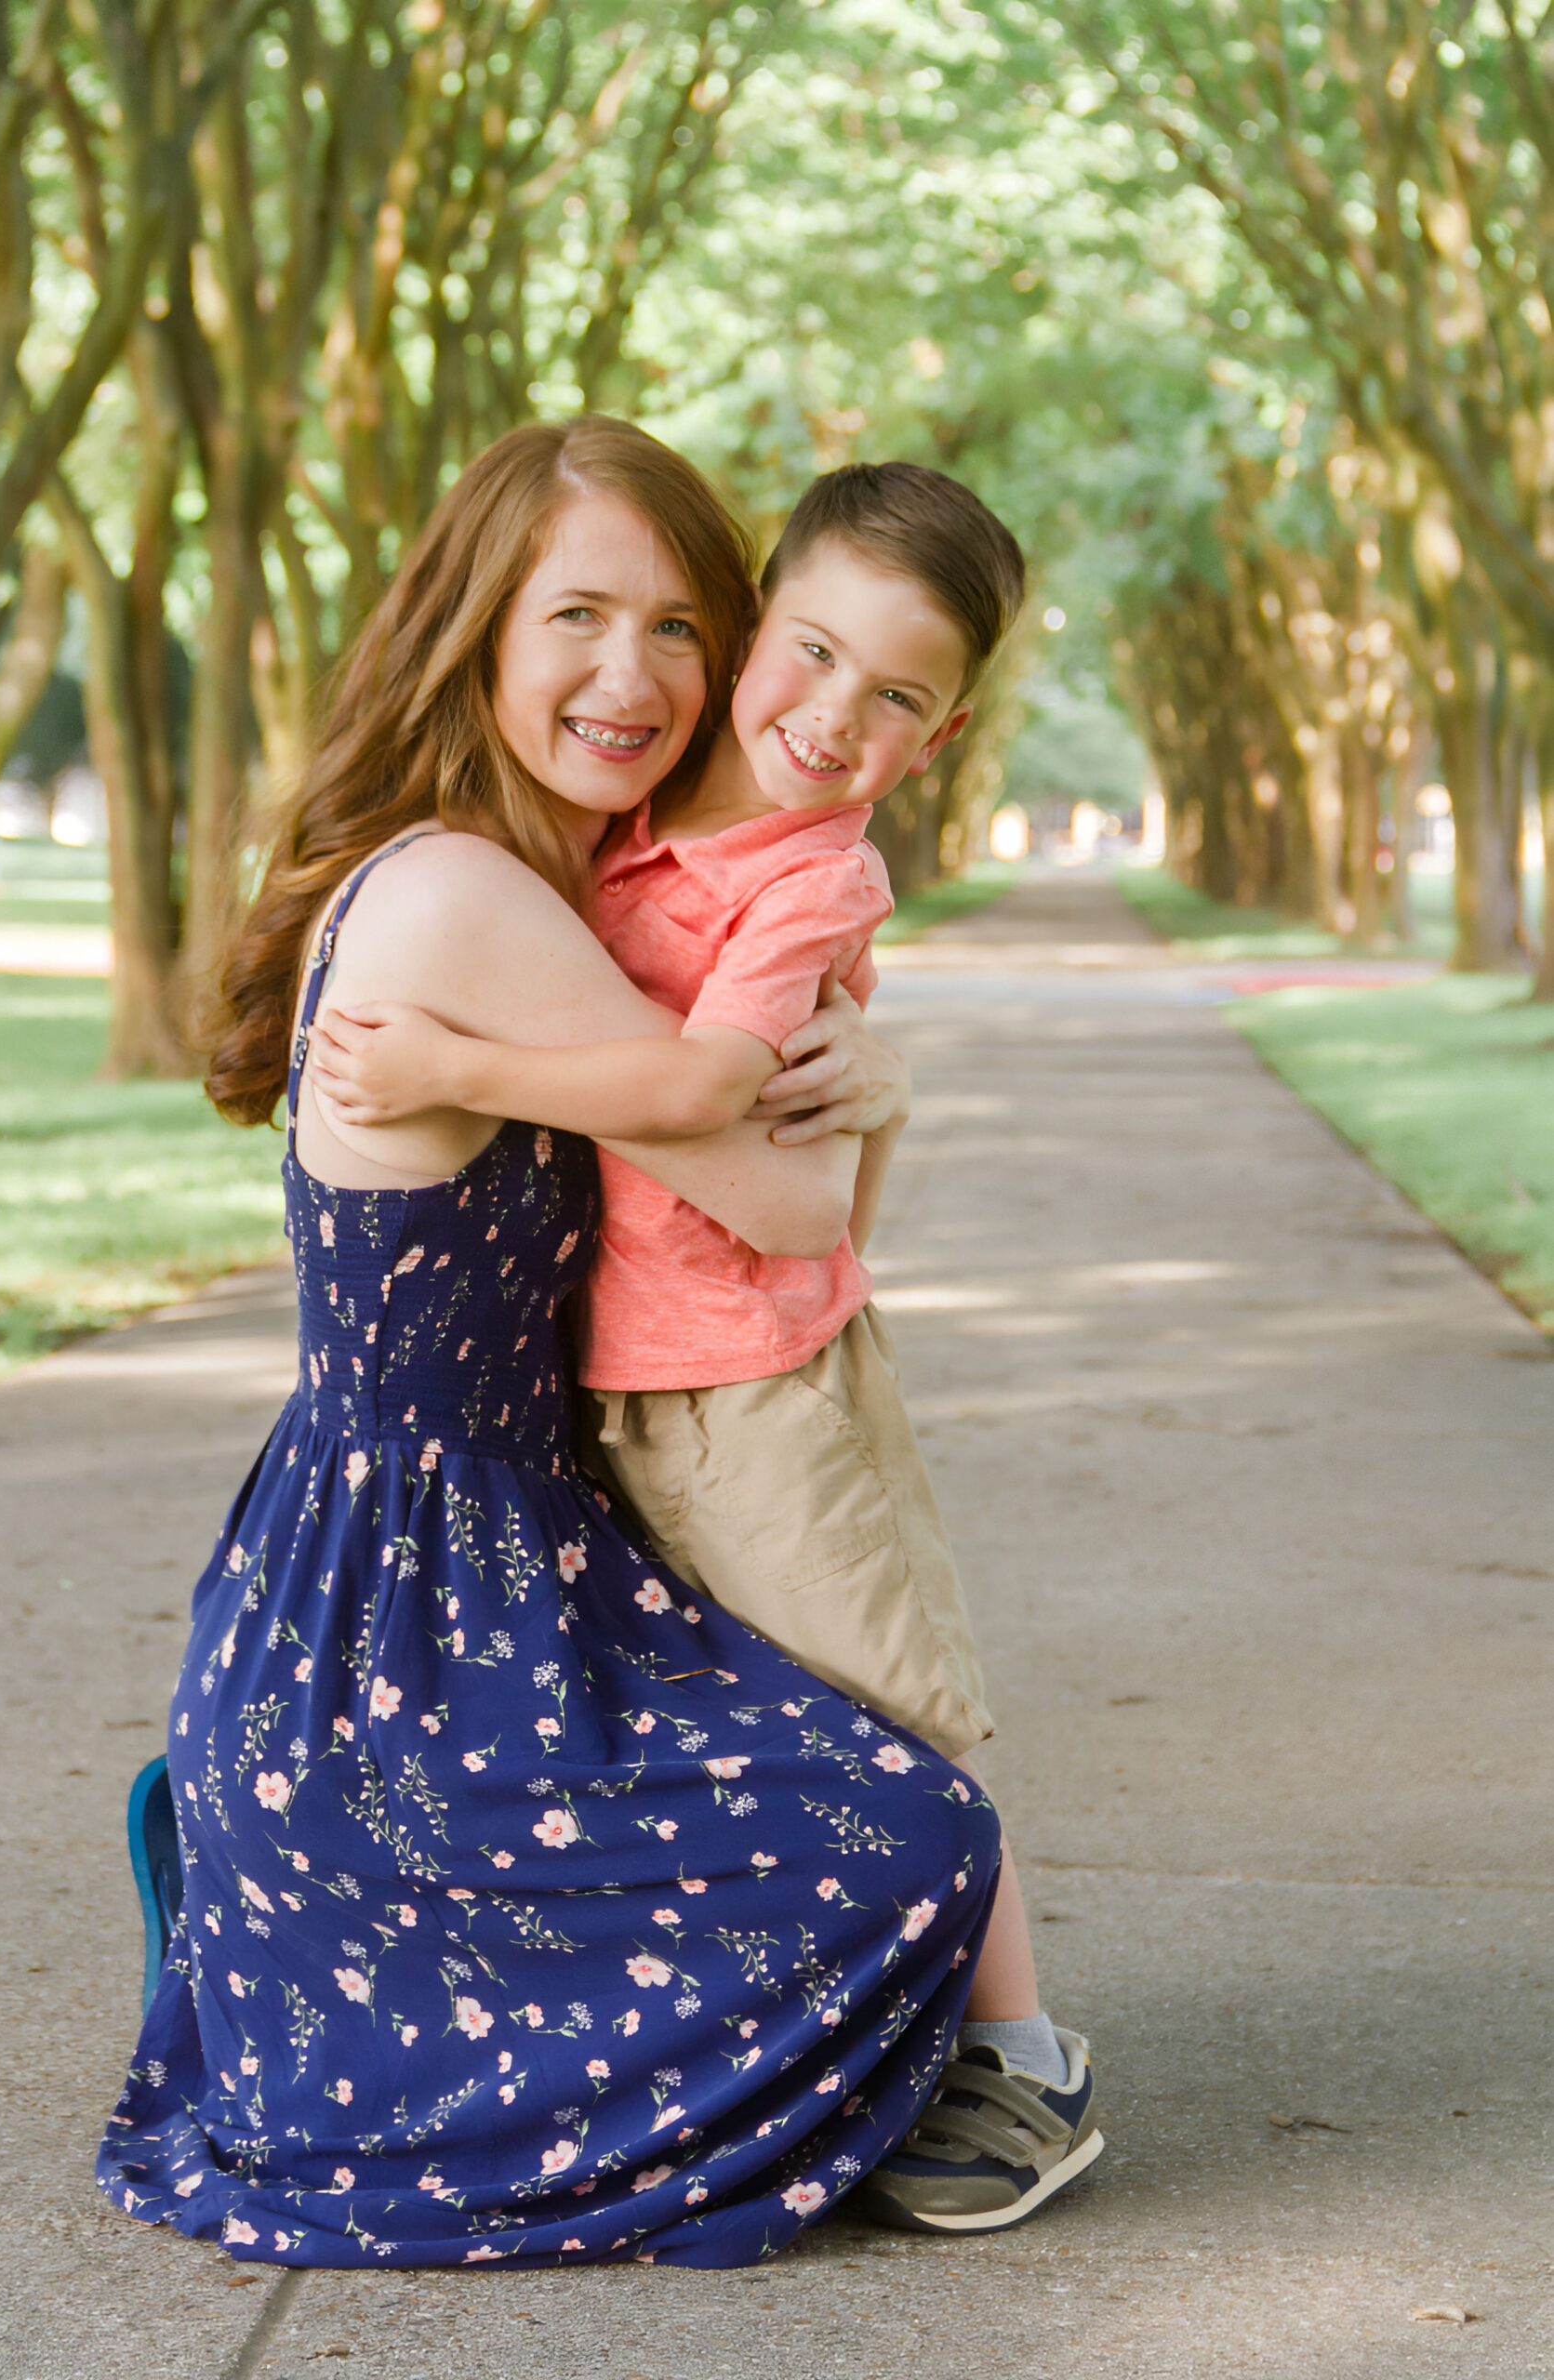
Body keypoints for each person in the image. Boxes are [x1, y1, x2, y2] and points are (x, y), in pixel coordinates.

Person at [93, 416, 1003, 2271]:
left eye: (680, 625)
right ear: (472, 630)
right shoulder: (471, 901)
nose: (633, 673)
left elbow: (757, 1179)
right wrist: (874, 1093)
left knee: (877, 1793)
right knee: (911, 1835)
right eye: (575, 613)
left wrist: (866, 1063)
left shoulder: (566, 889)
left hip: (449, 1582)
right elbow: (791, 1207)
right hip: (419, 1637)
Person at [308, 461, 1104, 2234]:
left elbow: (727, 1124)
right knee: (741, 1731)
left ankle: (1019, 2057)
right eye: (805, 654)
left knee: (877, 1710)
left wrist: (463, 1067)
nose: (832, 715)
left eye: (892, 697)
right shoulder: (622, 836)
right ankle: (845, 2039)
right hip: (614, 1382)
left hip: (753, 1380)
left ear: (941, 727)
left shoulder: (808, 880)